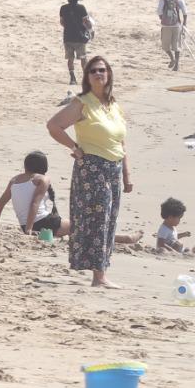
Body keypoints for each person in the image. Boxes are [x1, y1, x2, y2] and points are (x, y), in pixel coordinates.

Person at [46, 56, 132, 288]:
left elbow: (121, 142)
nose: (98, 74)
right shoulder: (82, 102)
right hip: (92, 169)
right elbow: (54, 126)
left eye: (102, 70)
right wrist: (74, 147)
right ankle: (99, 276)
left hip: (113, 168)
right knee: (98, 220)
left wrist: (127, 174)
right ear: (87, 77)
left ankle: (101, 272)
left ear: (109, 74)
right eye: (93, 71)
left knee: (109, 219)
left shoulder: (113, 104)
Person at [0, 150, 69, 239]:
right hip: (42, 222)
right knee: (75, 225)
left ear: (25, 165)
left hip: (24, 225)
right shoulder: (42, 179)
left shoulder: (14, 180)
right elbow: (34, 203)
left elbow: (0, 204)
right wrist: (29, 229)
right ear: (44, 167)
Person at [59, 0, 91, 84]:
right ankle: (86, 79)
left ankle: (72, 78)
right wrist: (90, 30)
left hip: (67, 37)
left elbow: (62, 22)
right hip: (79, 37)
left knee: (70, 59)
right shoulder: (81, 8)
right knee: (83, 58)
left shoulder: (63, 8)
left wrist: (69, 27)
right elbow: (86, 22)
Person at [158, 0, 188, 72]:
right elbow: (185, 12)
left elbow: (159, 11)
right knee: (176, 45)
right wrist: (184, 23)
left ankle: (172, 59)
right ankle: (177, 65)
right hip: (176, 25)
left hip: (166, 26)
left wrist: (163, 19)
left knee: (165, 45)